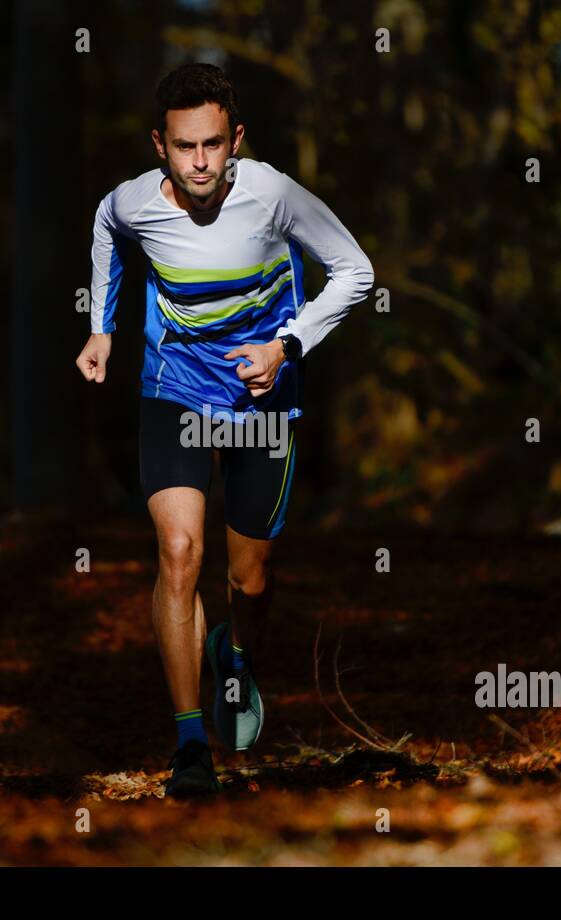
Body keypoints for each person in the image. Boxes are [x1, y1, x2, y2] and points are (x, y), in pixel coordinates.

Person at [76, 62, 374, 797]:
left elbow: (355, 270)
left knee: (250, 577)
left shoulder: (273, 195)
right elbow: (107, 228)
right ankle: (188, 746)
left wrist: (286, 346)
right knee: (179, 550)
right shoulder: (133, 203)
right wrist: (102, 330)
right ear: (160, 145)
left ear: (235, 139)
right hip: (172, 388)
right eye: (184, 147)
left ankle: (234, 656)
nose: (201, 163)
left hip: (260, 400)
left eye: (213, 144)